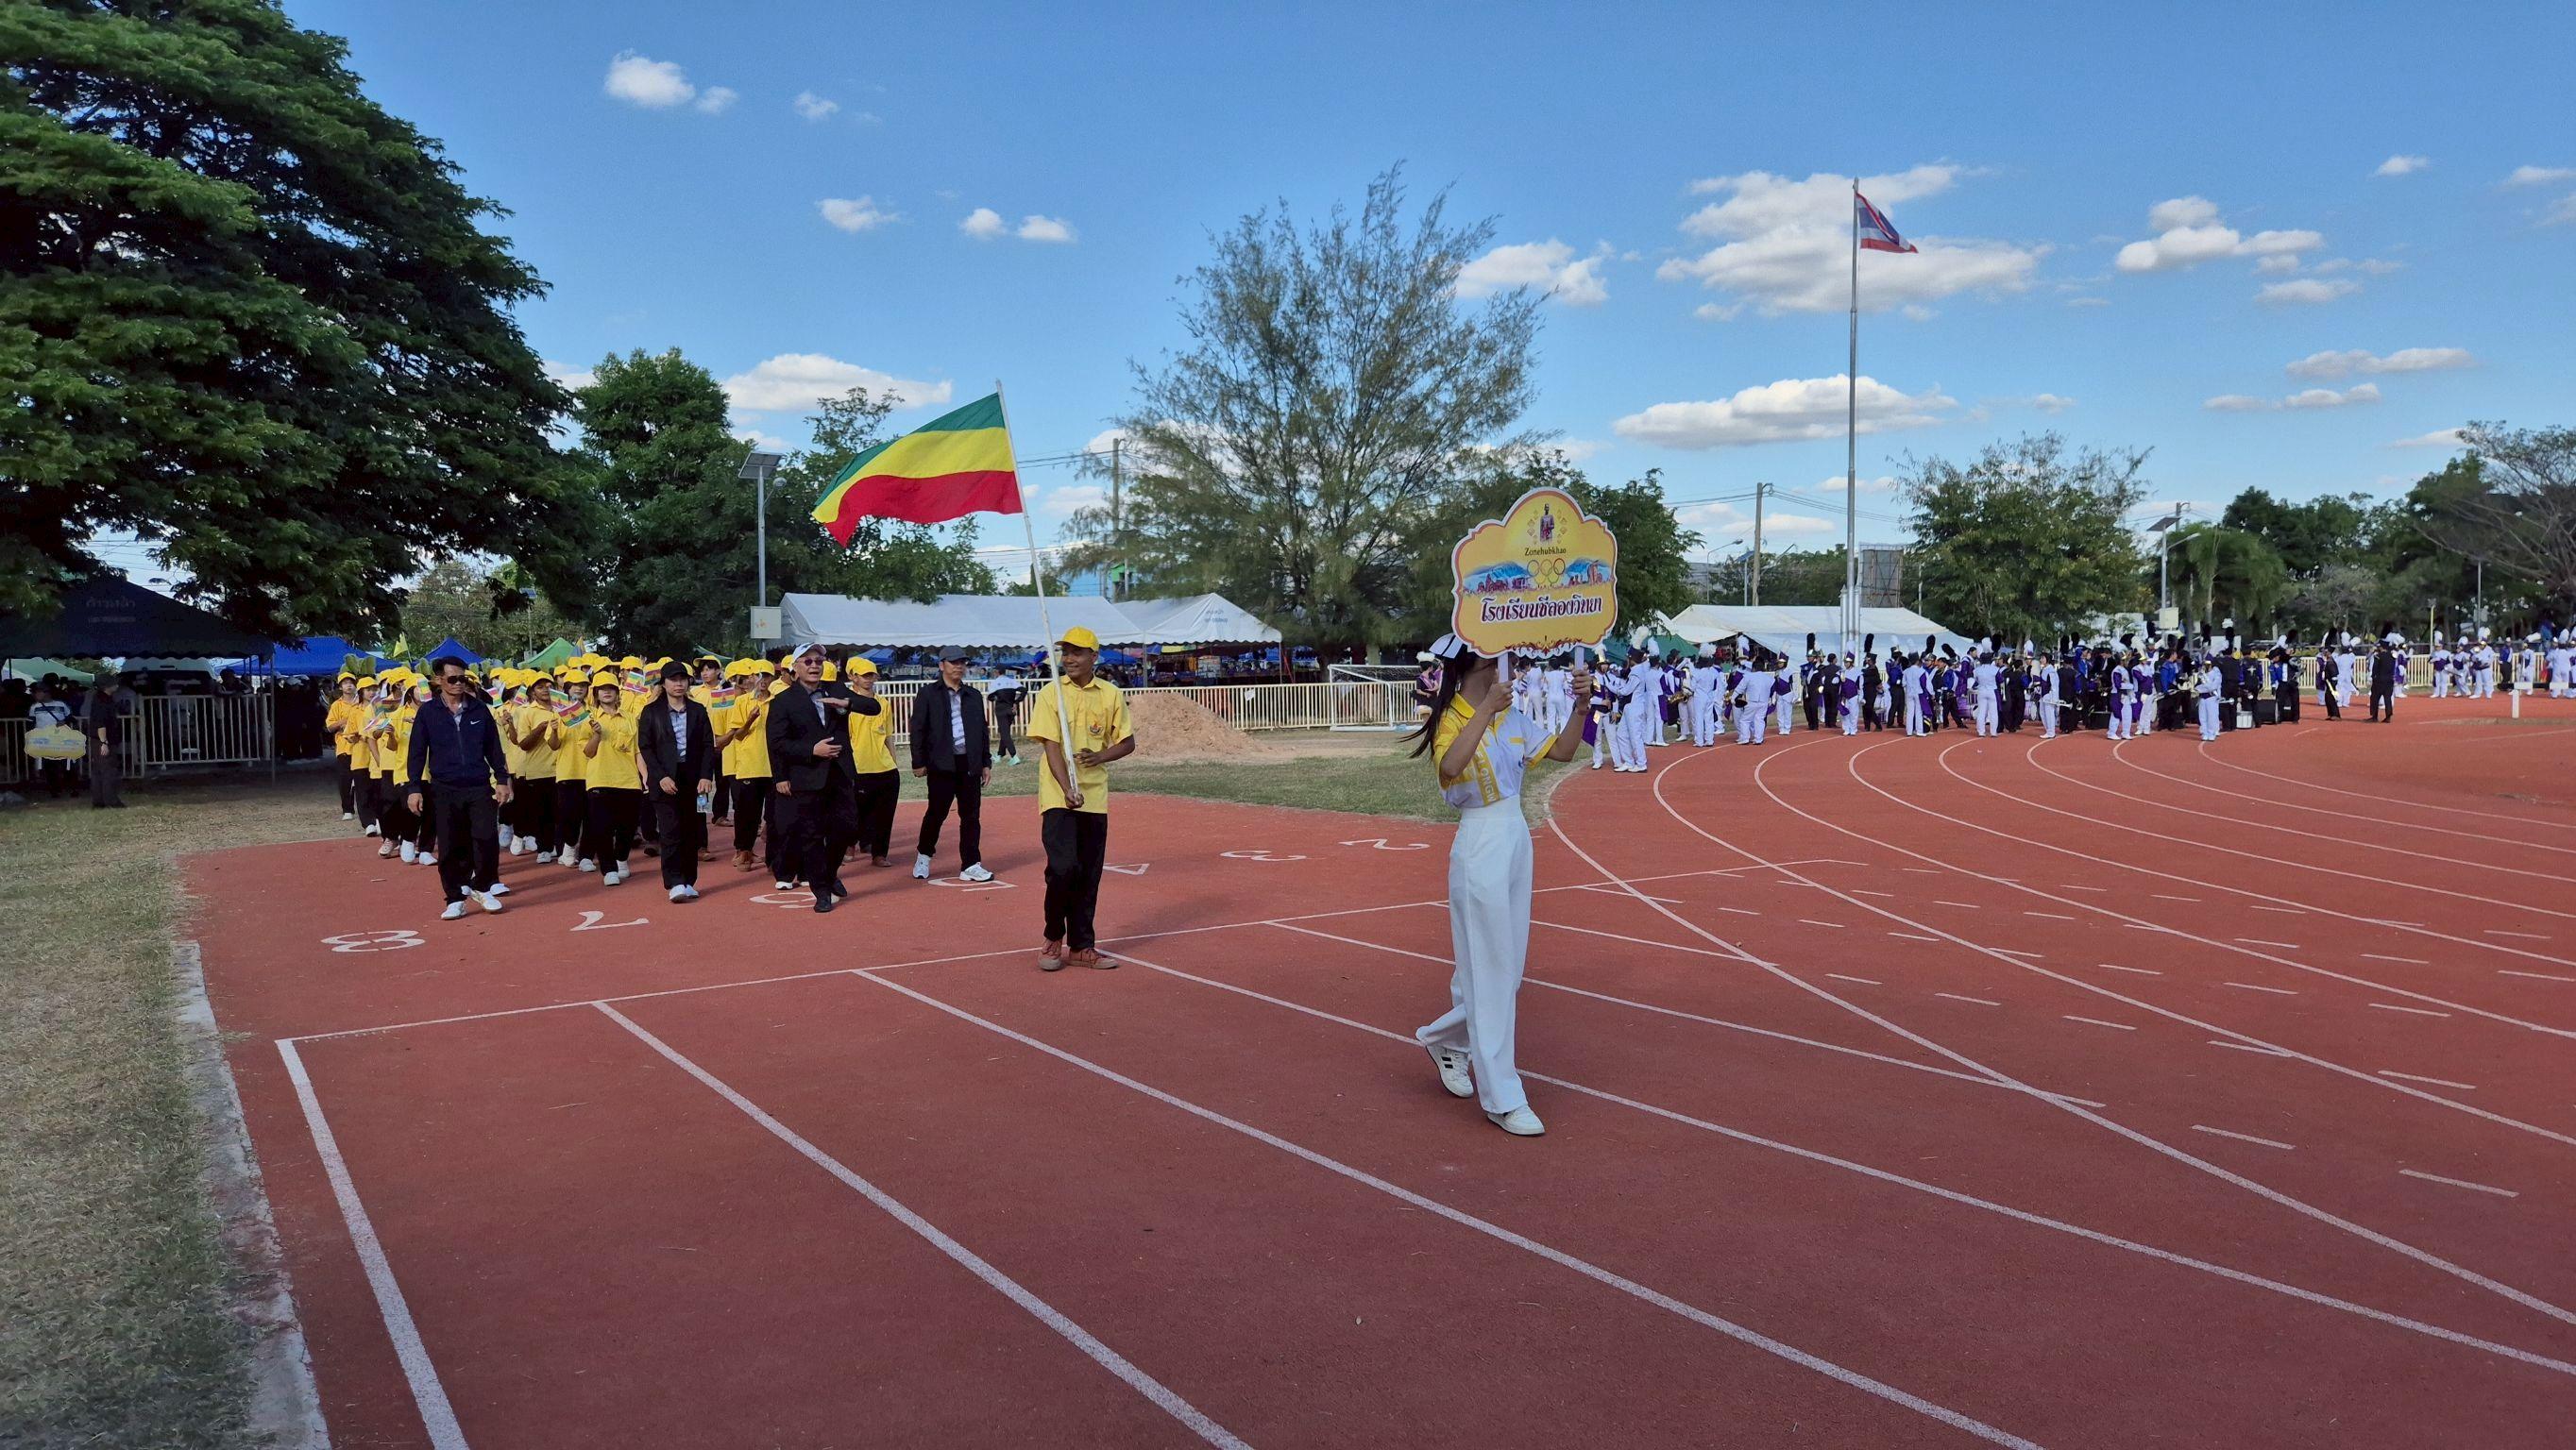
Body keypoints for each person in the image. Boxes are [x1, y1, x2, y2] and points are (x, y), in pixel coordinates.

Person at [1409, 634, 1590, 1138]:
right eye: (1496, 656)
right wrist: (1486, 710)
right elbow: (1450, 768)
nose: (1508, 663)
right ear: (1474, 664)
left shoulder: (1512, 715)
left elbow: (1564, 751)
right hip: (1480, 840)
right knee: (1490, 974)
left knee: (1504, 975)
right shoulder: (1451, 718)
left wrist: (1580, 707)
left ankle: (1446, 1040)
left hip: (1515, 836)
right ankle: (1503, 1097)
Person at [1025, 626, 1139, 970]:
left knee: (1088, 874)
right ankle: (1052, 937)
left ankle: (1082, 946)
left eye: (1077, 652)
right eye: (1066, 652)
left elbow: (1127, 742)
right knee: (1062, 869)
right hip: (1058, 796)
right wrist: (1066, 788)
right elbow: (1051, 746)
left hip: (1094, 797)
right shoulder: (1051, 693)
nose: (1069, 659)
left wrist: (1100, 757)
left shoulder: (1110, 694)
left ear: (1094, 657)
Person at [767, 643, 875, 912]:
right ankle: (821, 890)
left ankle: (828, 873)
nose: (814, 666)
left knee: (847, 828)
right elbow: (777, 743)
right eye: (807, 661)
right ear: (795, 667)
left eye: (818, 661)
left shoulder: (835, 689)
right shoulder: (783, 701)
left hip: (840, 773)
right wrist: (811, 750)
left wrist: (846, 703)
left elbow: (873, 707)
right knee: (812, 835)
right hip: (806, 776)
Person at [404, 656, 513, 919]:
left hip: (478, 785)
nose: (458, 683)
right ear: (439, 680)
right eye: (452, 679)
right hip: (444, 788)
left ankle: (483, 887)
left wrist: (502, 779)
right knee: (450, 844)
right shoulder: (428, 713)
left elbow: (494, 748)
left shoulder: (479, 710)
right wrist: (414, 788)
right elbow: (416, 752)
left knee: (486, 838)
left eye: (463, 678)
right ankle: (454, 898)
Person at [909, 648, 994, 883]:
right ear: (942, 665)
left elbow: (982, 730)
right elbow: (918, 729)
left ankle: (971, 863)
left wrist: (985, 762)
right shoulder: (928, 694)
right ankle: (924, 855)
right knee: (936, 813)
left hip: (969, 763)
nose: (958, 666)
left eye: (962, 662)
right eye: (953, 662)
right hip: (941, 763)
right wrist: (918, 761)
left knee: (971, 816)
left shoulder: (973, 695)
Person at [638, 662, 715, 902]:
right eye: (673, 679)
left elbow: (707, 745)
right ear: (663, 683)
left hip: (692, 777)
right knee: (670, 830)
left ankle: (689, 880)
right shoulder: (651, 712)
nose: (679, 684)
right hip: (664, 778)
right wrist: (660, 776)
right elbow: (646, 747)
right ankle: (674, 881)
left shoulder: (698, 710)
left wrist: (706, 775)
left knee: (691, 830)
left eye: (683, 679)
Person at [577, 670, 643, 885]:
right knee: (602, 827)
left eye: (611, 689)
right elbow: (588, 752)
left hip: (628, 779)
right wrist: (597, 734)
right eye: (602, 689)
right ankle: (609, 869)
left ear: (617, 692)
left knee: (628, 826)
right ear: (596, 693)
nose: (607, 692)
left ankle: (621, 857)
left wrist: (646, 776)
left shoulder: (630, 718)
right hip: (600, 778)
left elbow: (637, 750)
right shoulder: (588, 719)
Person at [715, 659, 780, 879]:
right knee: (747, 813)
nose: (762, 680)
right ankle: (744, 851)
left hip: (773, 766)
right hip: (749, 765)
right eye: (758, 675)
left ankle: (774, 857)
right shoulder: (742, 702)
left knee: (774, 814)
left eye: (766, 675)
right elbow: (739, 735)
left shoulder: (778, 702)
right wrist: (750, 719)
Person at [845, 657, 903, 869]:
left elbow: (889, 736)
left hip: (884, 766)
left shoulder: (883, 703)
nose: (869, 679)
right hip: (858, 766)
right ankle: (850, 844)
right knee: (854, 811)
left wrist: (894, 762)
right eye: (864, 675)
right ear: (853, 677)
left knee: (885, 815)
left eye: (872, 675)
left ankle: (879, 853)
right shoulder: (847, 704)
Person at [82, 674, 127, 808]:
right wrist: (104, 742)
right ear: (106, 686)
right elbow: (100, 723)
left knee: (98, 771)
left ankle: (99, 801)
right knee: (108, 770)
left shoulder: (102, 698)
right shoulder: (103, 701)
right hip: (103, 740)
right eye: (113, 683)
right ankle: (111, 801)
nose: (116, 685)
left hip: (100, 739)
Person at [988, 666, 1025, 767]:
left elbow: (990, 697)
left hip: (1001, 710)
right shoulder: (1012, 681)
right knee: (1005, 732)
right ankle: (1000, 754)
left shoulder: (995, 683)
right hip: (1011, 709)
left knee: (1005, 734)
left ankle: (1014, 756)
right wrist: (1016, 702)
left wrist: (997, 698)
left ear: (996, 672)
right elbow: (1024, 690)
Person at [2195, 653, 2225, 742]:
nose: (2205, 665)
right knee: (2202, 717)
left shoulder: (2216, 674)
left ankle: (2211, 733)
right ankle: (2205, 734)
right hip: (2202, 698)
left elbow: (2213, 686)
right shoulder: (2201, 674)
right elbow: (2197, 686)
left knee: (2211, 717)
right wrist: (2204, 688)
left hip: (2212, 697)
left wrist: (2204, 688)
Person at [2368, 640, 2398, 723]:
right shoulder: (2392, 656)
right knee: (2387, 699)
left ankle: (2374, 716)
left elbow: (2375, 668)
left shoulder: (2378, 656)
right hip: (2389, 680)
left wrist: (2373, 677)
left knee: (2375, 698)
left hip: (2379, 680)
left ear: (2381, 647)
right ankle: (2388, 716)